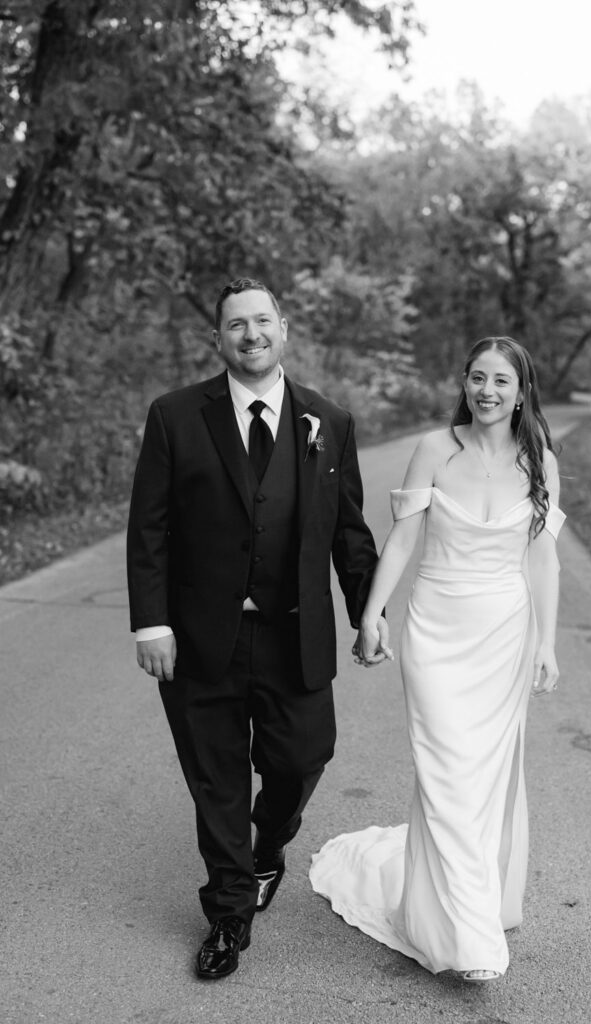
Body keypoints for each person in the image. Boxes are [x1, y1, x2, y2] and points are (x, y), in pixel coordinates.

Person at [127, 277, 385, 980]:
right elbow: (148, 527)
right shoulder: (176, 416)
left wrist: (369, 611)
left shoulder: (327, 421)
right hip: (199, 636)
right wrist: (150, 623)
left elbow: (348, 532)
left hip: (293, 637)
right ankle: (228, 915)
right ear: (218, 338)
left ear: (283, 329)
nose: (250, 334)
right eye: (235, 324)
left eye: (261, 320)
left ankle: (269, 846)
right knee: (216, 781)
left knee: (303, 758)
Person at [310, 336, 565, 982]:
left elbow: (541, 557)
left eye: (500, 381)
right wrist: (370, 613)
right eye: (477, 377)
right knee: (444, 770)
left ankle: (464, 906)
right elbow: (401, 541)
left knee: (482, 779)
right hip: (435, 633)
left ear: (520, 390)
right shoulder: (433, 448)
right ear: (463, 381)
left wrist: (547, 642)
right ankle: (463, 935)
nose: (486, 391)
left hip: (504, 634)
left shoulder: (539, 460)